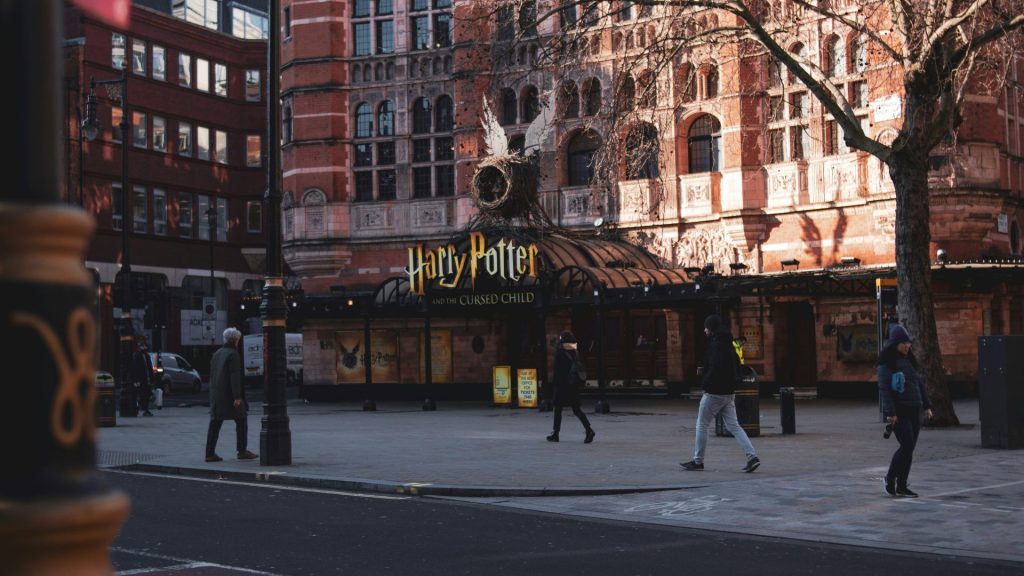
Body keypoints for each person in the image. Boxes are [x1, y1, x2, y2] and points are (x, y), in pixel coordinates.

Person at [681, 314, 761, 472]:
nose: (704, 330)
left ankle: (698, 461)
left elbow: (716, 367)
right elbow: (734, 364)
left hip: (715, 391)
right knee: (734, 426)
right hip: (729, 392)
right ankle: (752, 456)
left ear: (711, 328)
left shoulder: (717, 344)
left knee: (702, 424)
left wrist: (705, 381)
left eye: (706, 327)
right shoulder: (728, 342)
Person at [877, 324, 932, 497]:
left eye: (908, 342)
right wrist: (890, 413)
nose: (907, 346)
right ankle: (889, 478)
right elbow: (884, 390)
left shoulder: (909, 360)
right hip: (899, 411)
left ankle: (901, 485)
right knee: (907, 445)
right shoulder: (887, 362)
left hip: (914, 408)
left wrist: (927, 405)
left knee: (909, 448)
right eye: (903, 343)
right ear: (894, 344)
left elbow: (918, 383)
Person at [205, 327, 258, 462]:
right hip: (230, 396)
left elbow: (212, 375)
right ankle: (241, 451)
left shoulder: (217, 353)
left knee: (215, 423)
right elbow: (234, 376)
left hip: (217, 395)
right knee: (242, 420)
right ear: (236, 340)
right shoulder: (233, 354)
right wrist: (237, 397)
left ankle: (209, 453)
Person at [546, 330, 595, 443]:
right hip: (573, 385)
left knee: (558, 409)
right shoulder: (575, 352)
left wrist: (554, 385)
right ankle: (589, 429)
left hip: (562, 386)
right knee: (577, 410)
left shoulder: (560, 353)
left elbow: (557, 371)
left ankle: (556, 433)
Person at [131, 339, 154, 417]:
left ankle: (145, 409)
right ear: (139, 347)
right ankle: (143, 408)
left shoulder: (147, 356)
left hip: (147, 378)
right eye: (142, 346)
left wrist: (151, 377)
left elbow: (149, 367)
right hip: (141, 379)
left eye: (144, 346)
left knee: (147, 394)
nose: (143, 348)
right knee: (142, 394)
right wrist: (136, 380)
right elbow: (135, 369)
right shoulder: (137, 356)